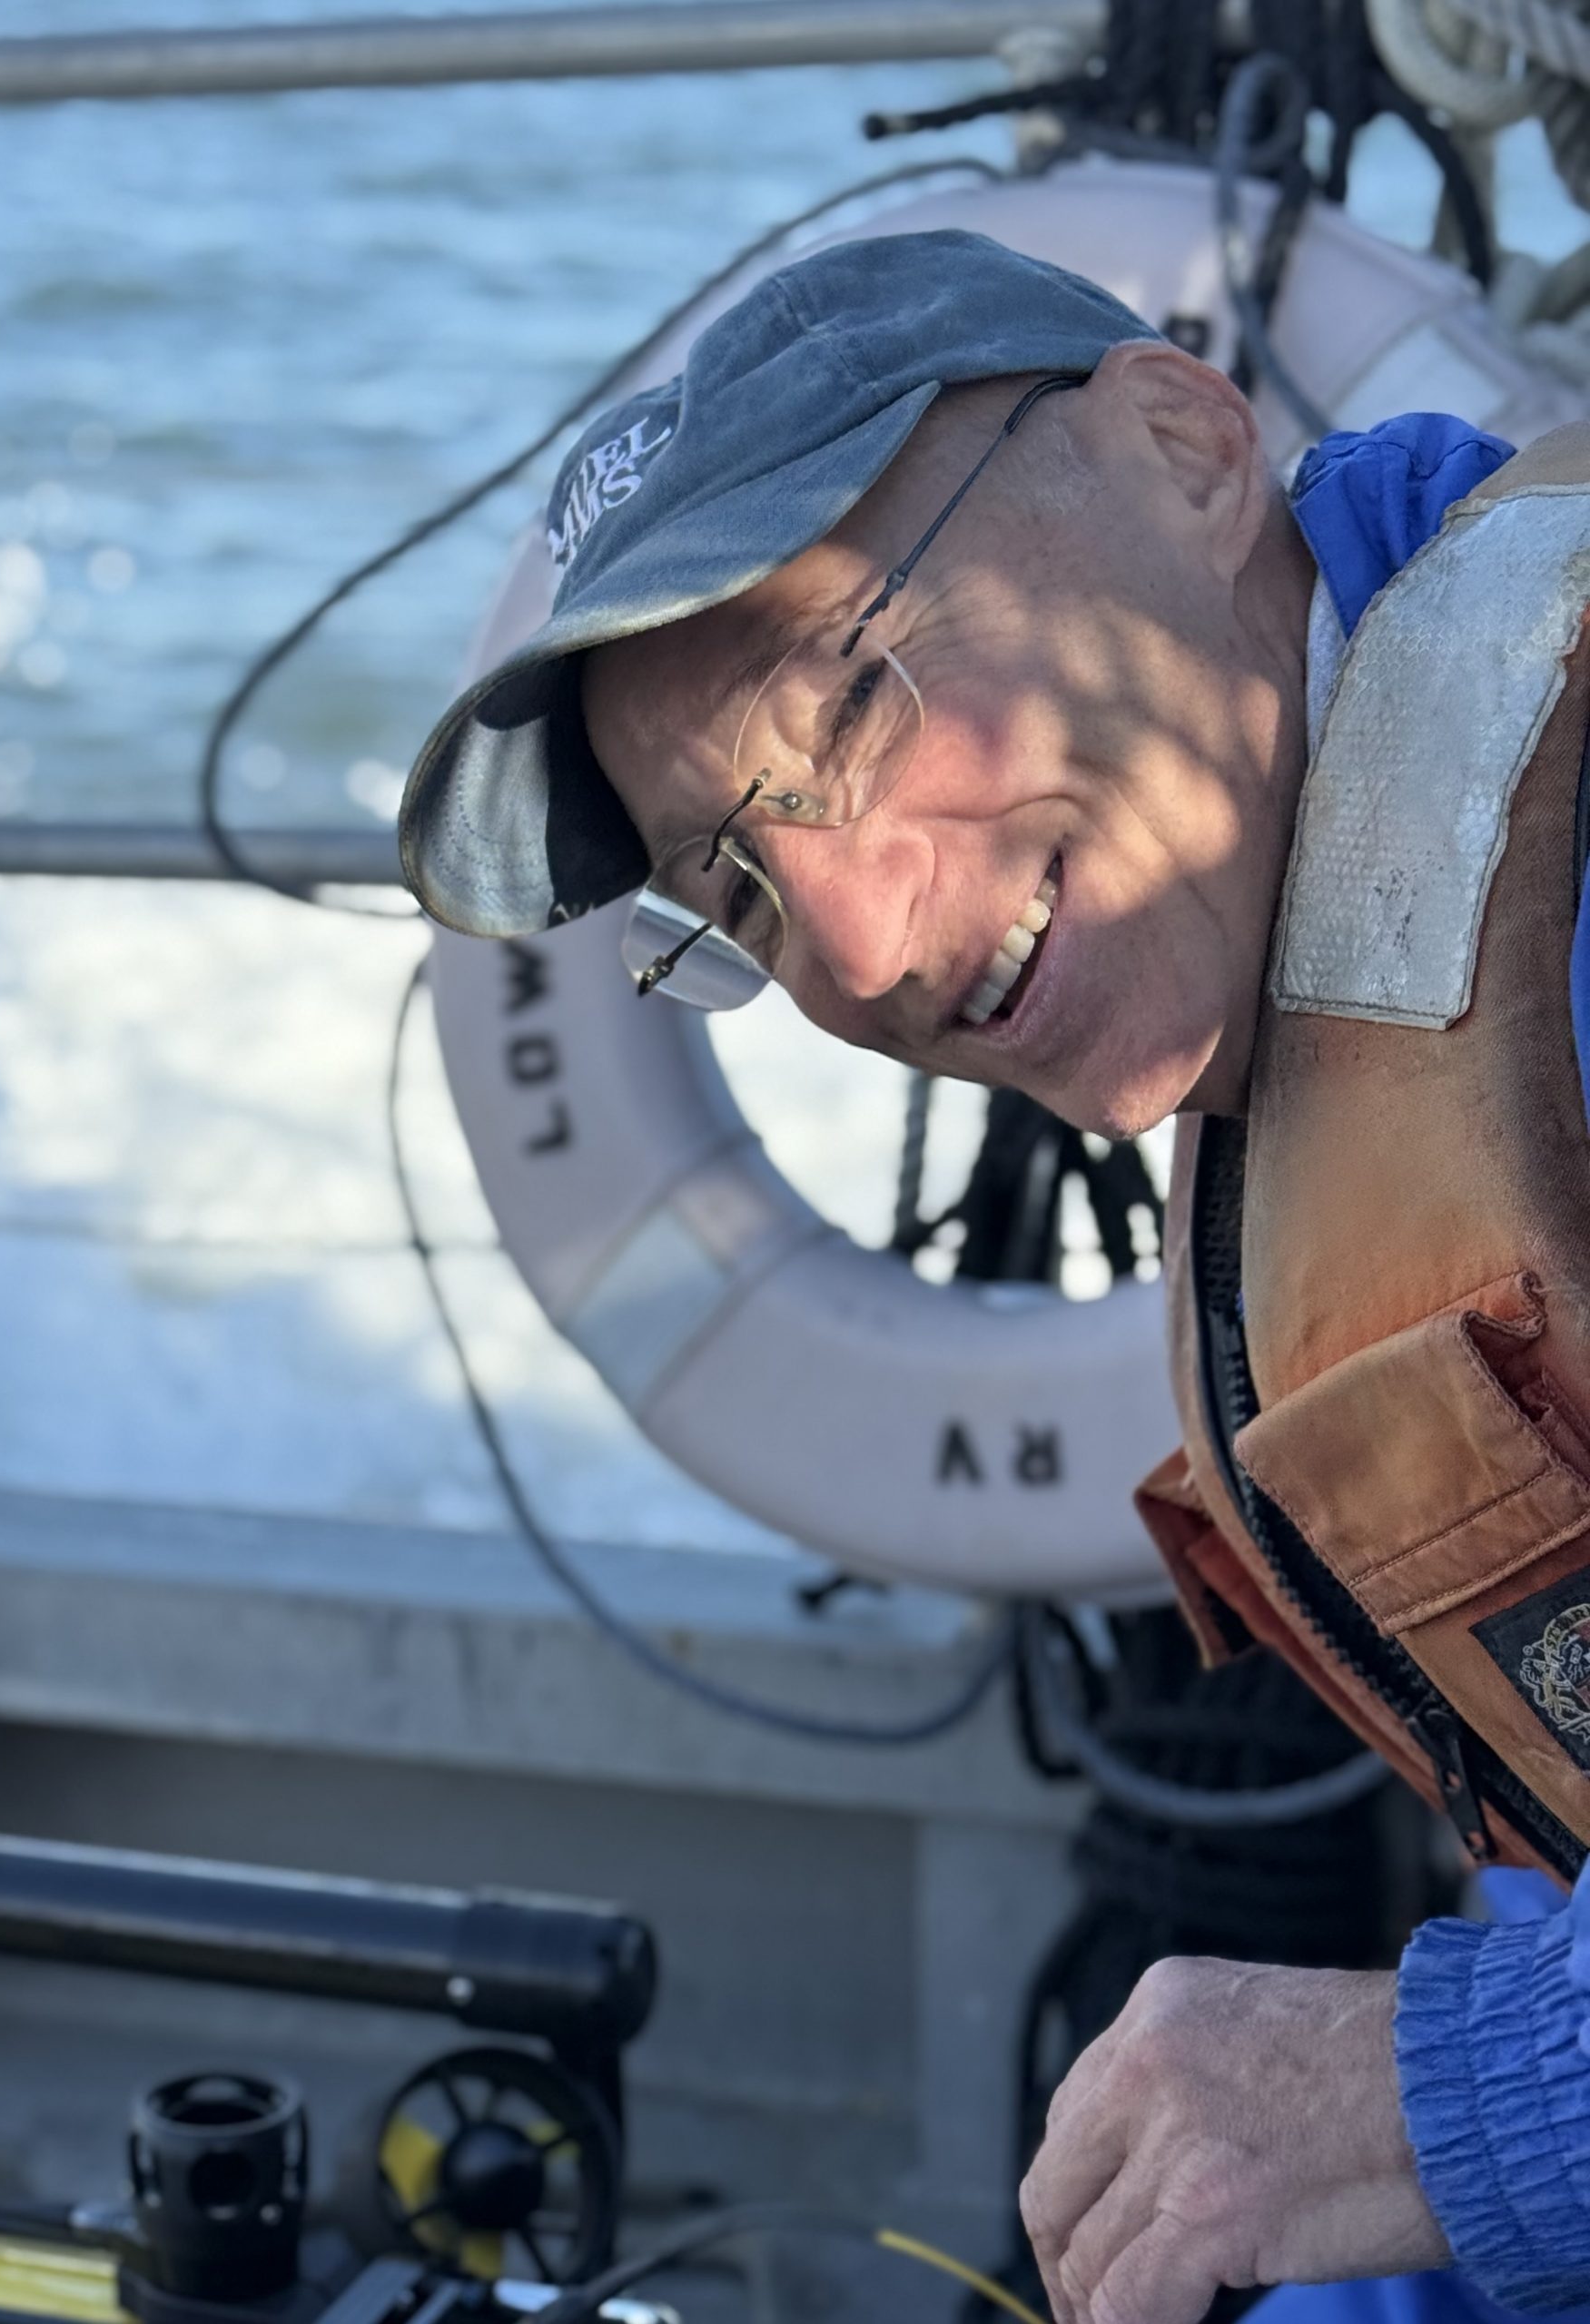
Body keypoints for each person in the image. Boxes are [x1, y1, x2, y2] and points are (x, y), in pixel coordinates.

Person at [395, 230, 1590, 2324]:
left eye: (847, 704)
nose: (854, 956)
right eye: (734, 896)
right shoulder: (1307, 932)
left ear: (1181, 444)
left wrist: (1442, 2099)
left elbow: (1488, 2100)